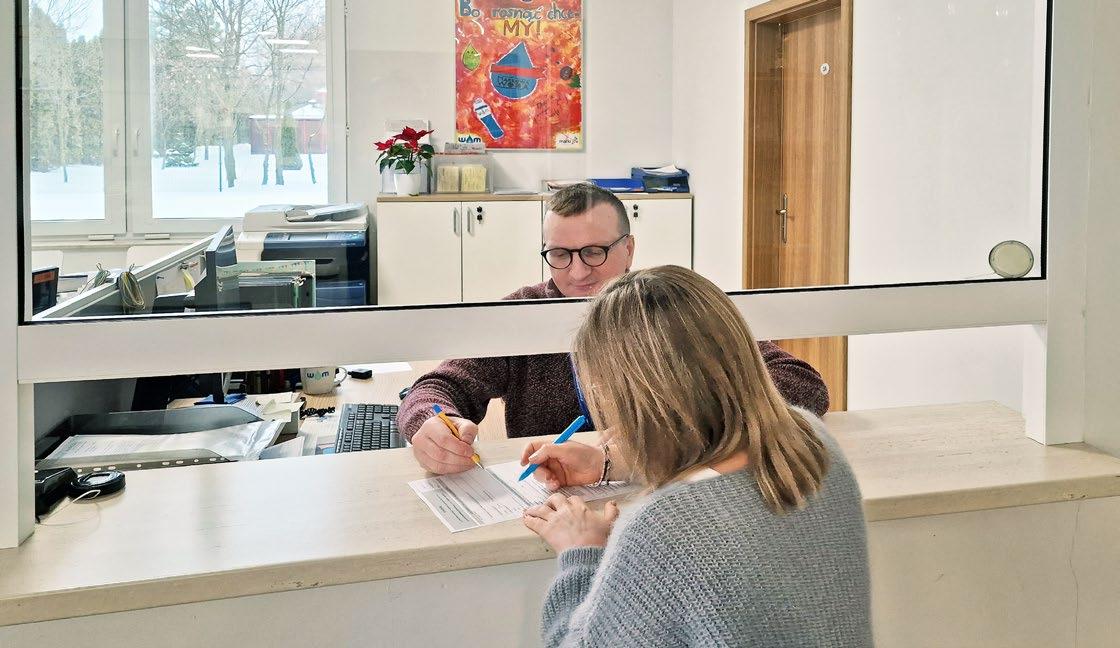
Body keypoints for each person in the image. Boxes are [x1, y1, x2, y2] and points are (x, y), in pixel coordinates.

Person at [520, 266, 871, 647]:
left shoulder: (661, 528)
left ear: (628, 397)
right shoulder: (813, 440)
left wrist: (581, 550)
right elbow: (718, 457)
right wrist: (605, 462)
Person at [398, 183, 831, 475]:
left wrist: (673, 434)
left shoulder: (670, 306)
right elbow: (438, 387)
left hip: (664, 494)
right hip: (557, 500)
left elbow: (800, 383)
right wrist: (432, 424)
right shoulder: (525, 311)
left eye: (594, 252)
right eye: (560, 254)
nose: (577, 272)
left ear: (629, 249)